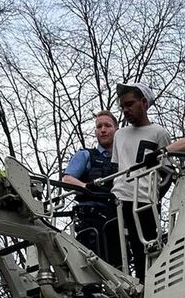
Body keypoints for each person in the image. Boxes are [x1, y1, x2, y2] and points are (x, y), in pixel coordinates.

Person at [106, 81, 172, 282]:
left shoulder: (159, 133)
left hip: (144, 201)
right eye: (122, 106)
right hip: (119, 196)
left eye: (130, 104)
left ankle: (145, 290)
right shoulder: (120, 134)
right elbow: (116, 166)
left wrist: (156, 194)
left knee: (143, 249)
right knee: (112, 240)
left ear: (144, 103)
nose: (125, 110)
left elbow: (167, 172)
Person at [61, 110, 121, 266]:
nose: (103, 129)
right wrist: (86, 187)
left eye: (108, 125)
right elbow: (67, 179)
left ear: (117, 129)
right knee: (91, 267)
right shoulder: (86, 155)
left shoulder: (122, 159)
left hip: (117, 218)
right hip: (91, 218)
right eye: (99, 126)